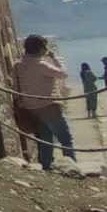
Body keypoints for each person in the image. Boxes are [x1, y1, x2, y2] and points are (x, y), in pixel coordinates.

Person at [13, 35, 77, 170]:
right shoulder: (41, 65)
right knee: (65, 138)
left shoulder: (18, 65)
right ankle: (72, 166)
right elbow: (62, 74)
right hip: (48, 107)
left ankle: (46, 166)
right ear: (40, 48)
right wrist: (56, 59)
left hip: (31, 108)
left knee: (45, 139)